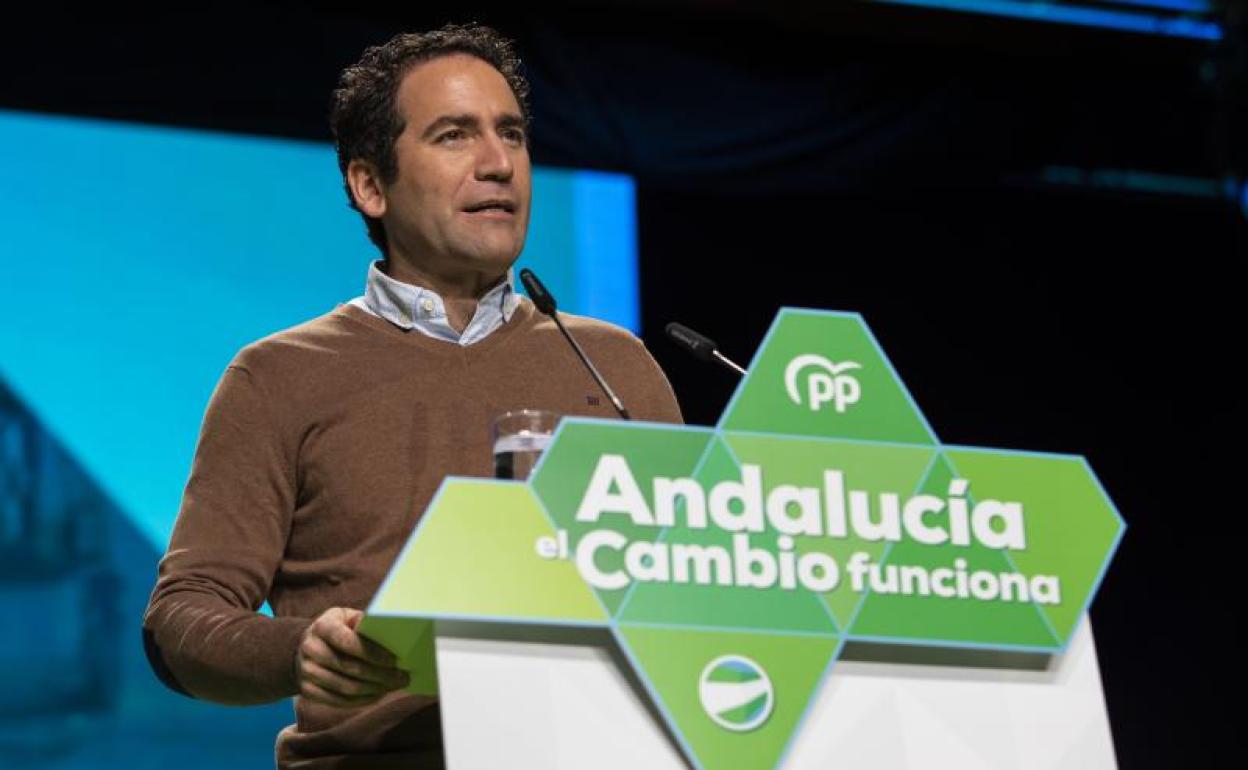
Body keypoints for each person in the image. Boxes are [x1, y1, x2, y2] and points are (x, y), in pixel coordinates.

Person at [142, 23, 682, 769]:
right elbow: (182, 623)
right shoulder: (277, 377)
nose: (499, 165)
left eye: (513, 134)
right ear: (370, 185)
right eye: (455, 136)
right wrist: (304, 647)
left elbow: (690, 594)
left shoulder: (613, 366)